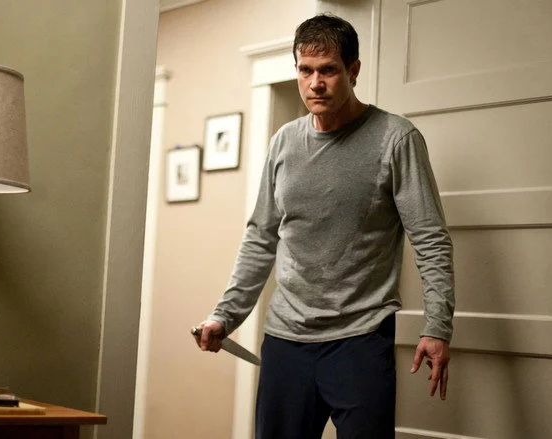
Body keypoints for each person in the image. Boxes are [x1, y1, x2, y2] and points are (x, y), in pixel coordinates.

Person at [191, 13, 455, 439]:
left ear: (353, 70)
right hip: (285, 339)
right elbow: (261, 237)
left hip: (360, 339)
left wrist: (437, 325)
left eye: (328, 70)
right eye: (305, 70)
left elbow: (430, 240)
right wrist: (226, 314)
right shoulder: (283, 142)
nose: (315, 83)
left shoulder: (396, 138)